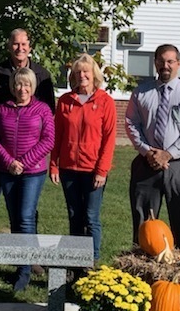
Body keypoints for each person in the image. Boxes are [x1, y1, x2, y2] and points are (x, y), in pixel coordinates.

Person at [125, 44, 180, 251]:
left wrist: (168, 154)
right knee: (144, 224)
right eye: (161, 61)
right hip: (146, 164)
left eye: (170, 61)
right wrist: (147, 151)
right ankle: (144, 271)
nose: (165, 66)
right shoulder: (141, 92)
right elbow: (131, 123)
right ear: (155, 63)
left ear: (179, 64)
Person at [0, 28, 55, 233]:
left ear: (30, 47)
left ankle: (30, 257)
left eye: (23, 44)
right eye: (15, 44)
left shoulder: (42, 76)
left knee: (27, 210)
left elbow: (47, 118)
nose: (20, 48)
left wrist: (30, 157)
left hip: (30, 156)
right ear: (9, 46)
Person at [0, 67, 54, 292]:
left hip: (32, 172)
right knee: (15, 218)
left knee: (25, 217)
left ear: (32, 87)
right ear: (12, 86)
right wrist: (9, 162)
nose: (22, 88)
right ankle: (21, 263)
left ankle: (24, 272)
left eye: (26, 84)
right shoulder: (2, 109)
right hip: (7, 171)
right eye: (18, 84)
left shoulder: (42, 109)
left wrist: (23, 162)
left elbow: (48, 140)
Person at [49, 53, 116, 266]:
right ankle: (75, 261)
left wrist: (102, 170)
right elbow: (57, 135)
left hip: (93, 170)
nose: (82, 75)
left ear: (93, 74)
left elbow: (109, 138)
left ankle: (92, 262)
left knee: (91, 217)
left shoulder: (105, 102)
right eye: (78, 72)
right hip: (69, 168)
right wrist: (54, 165)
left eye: (86, 71)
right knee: (74, 216)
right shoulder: (66, 101)